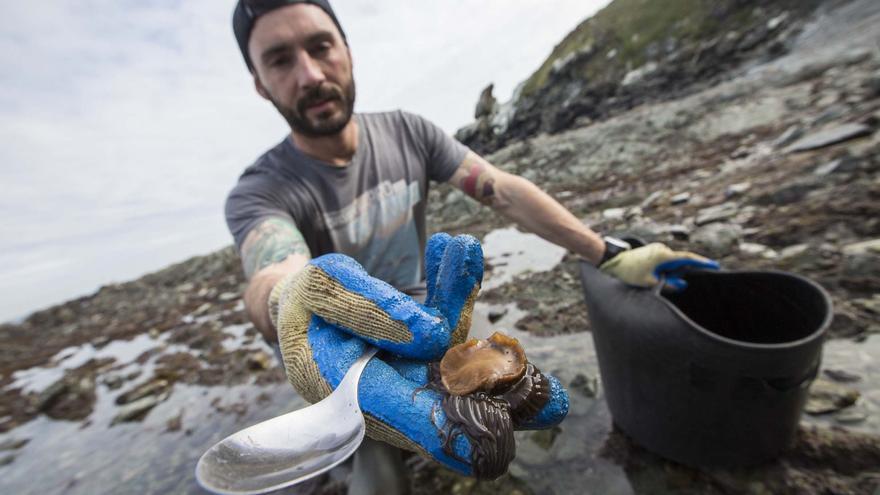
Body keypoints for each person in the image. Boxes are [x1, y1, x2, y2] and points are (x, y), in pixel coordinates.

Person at [225, 1, 716, 493]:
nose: (309, 74)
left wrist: (607, 252)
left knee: (487, 401)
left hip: (431, 323)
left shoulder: (406, 132)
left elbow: (501, 188)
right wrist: (286, 294)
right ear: (259, 83)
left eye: (320, 46)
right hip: (338, 355)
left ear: (347, 50)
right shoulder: (262, 189)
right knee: (381, 478)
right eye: (280, 59)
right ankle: (373, 457)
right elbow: (270, 267)